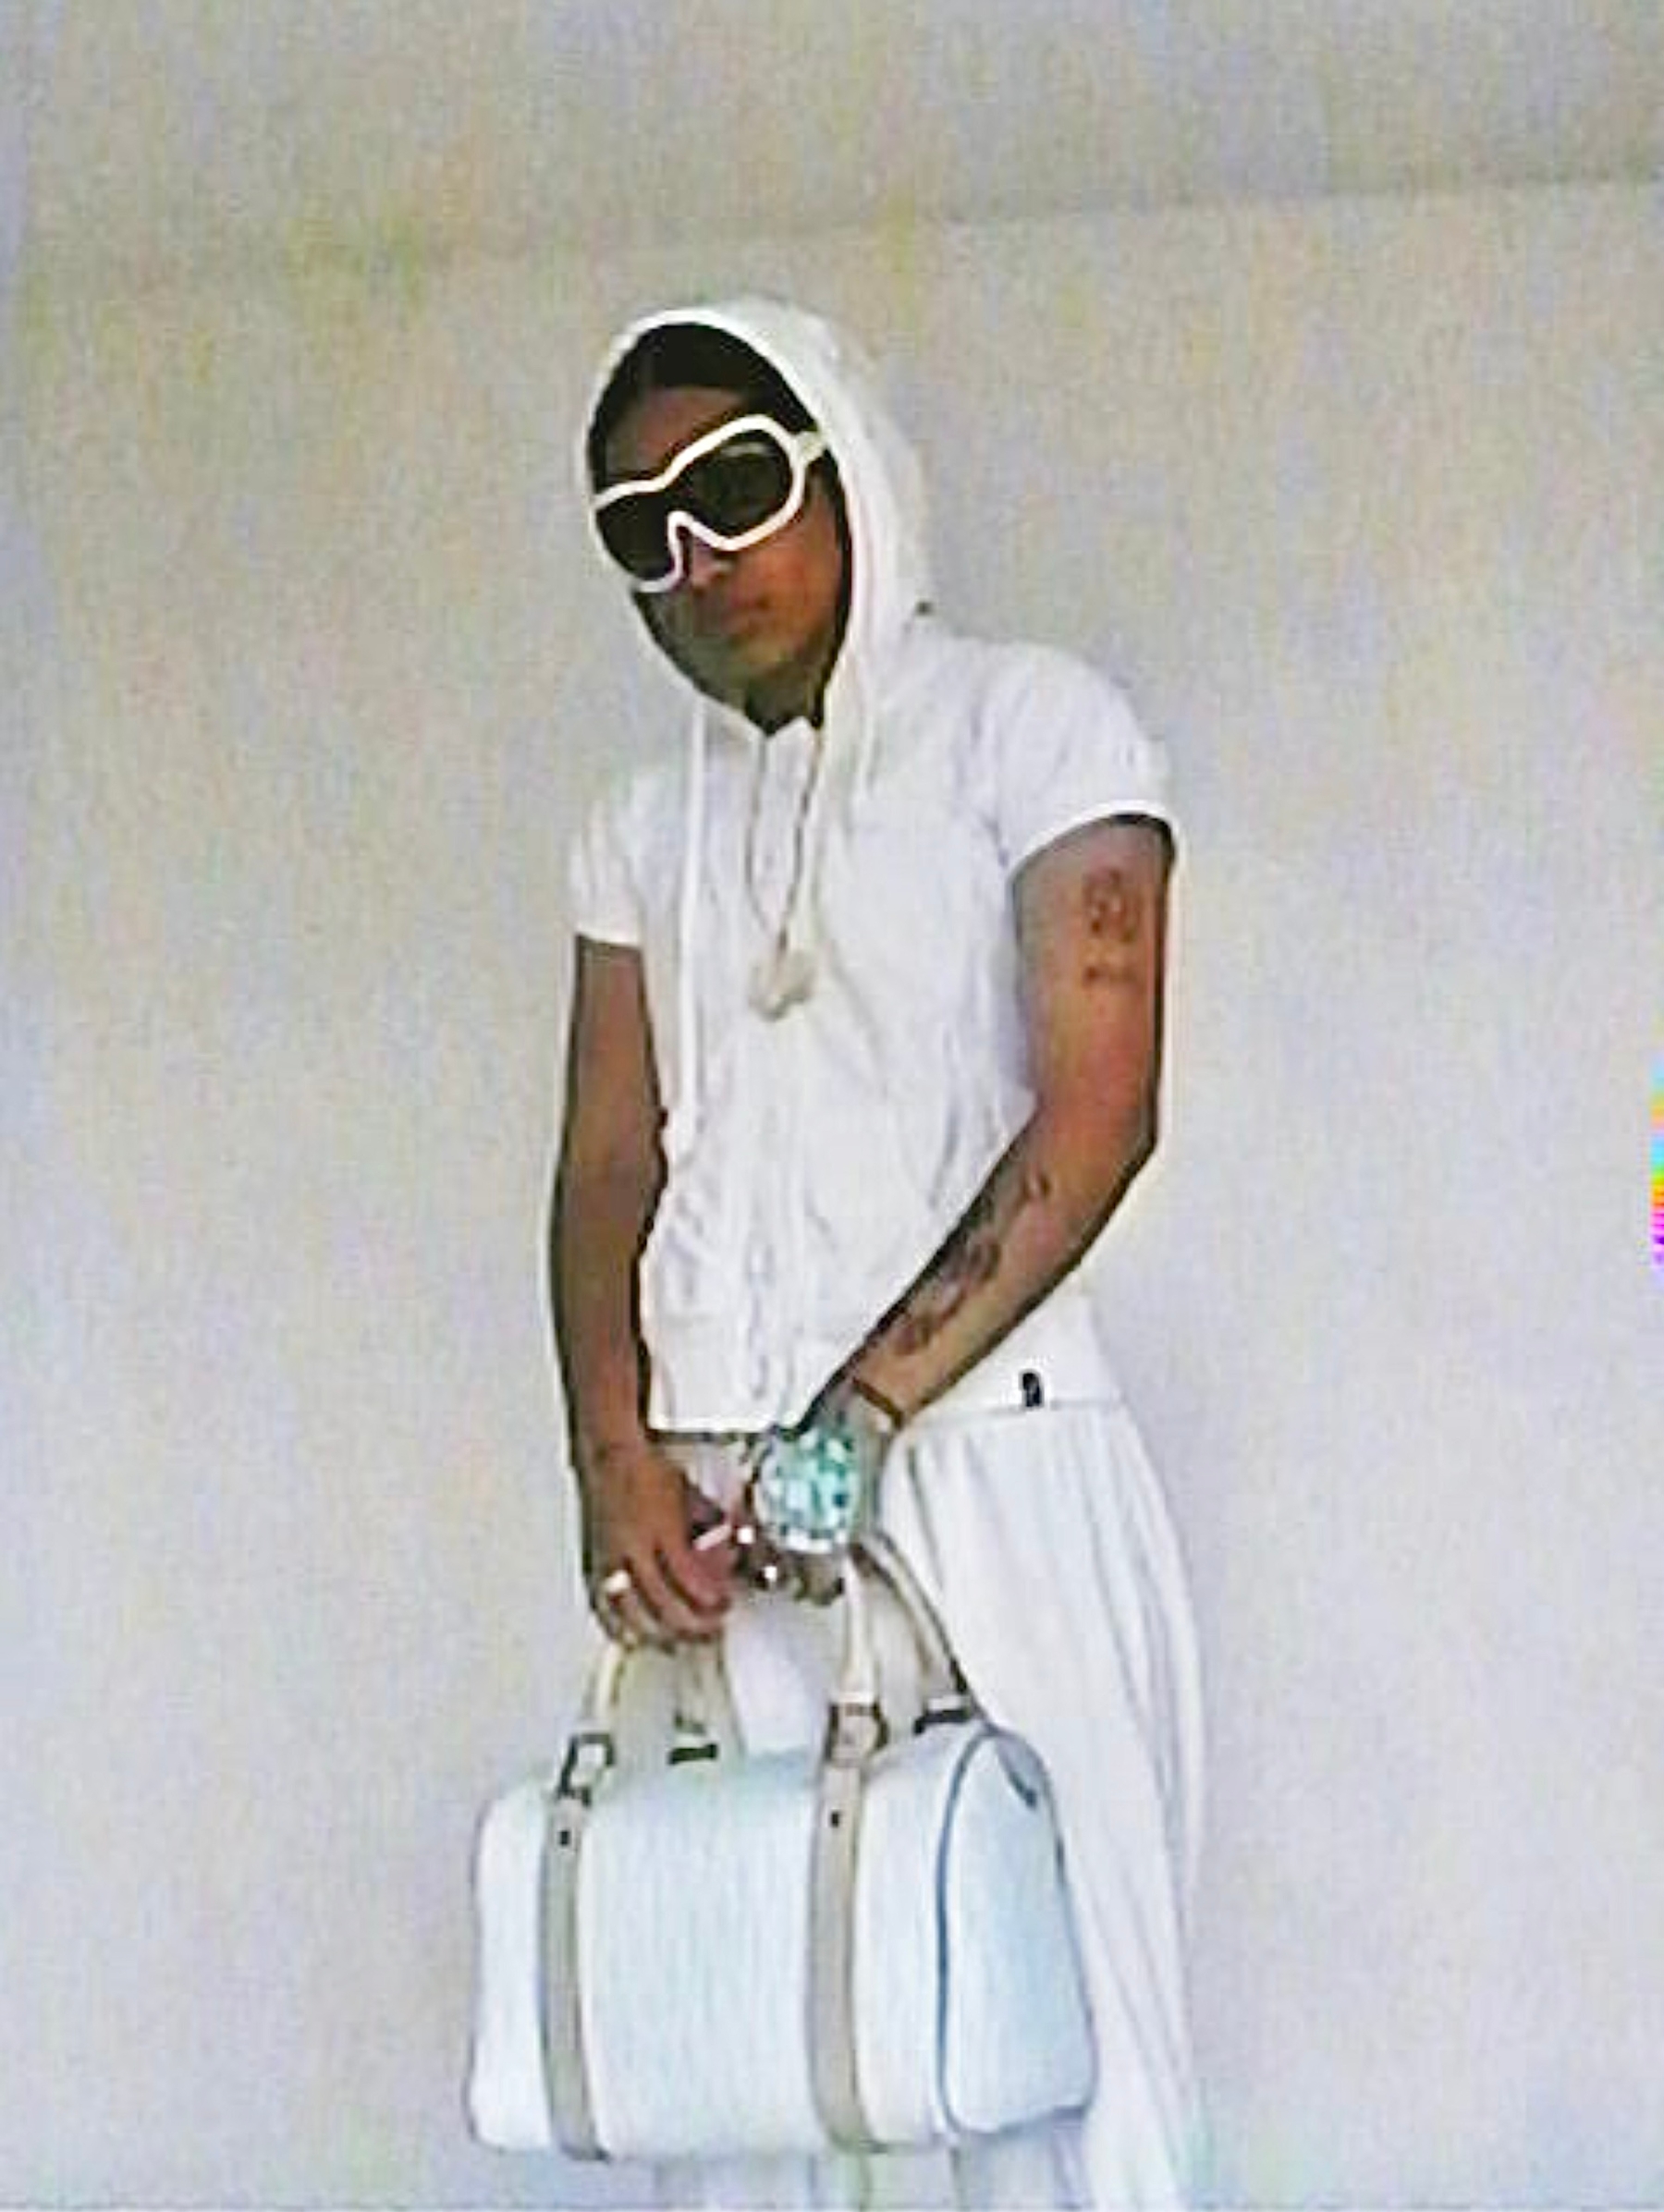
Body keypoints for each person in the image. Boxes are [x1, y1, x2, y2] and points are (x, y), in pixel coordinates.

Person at [549, 295, 1205, 2209]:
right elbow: (605, 1163)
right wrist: (615, 1460)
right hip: (713, 1506)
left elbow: (1098, 1112)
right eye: (640, 527)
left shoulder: (1037, 726)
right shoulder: (639, 831)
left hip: (992, 1449)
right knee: (752, 2058)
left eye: (735, 487)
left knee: (1073, 2057)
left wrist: (860, 1418)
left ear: (843, 464)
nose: (695, 556)